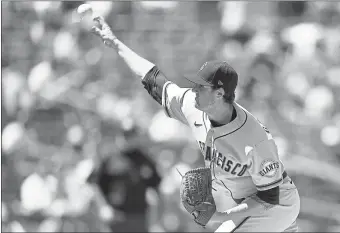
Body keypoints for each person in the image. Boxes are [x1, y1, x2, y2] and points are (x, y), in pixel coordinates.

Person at [90, 16, 300, 232]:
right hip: (247, 201)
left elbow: (269, 196)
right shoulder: (193, 105)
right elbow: (153, 79)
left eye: (202, 87)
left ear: (219, 94)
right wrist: (116, 44)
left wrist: (221, 215)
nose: (194, 90)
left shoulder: (254, 139)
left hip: (275, 205)